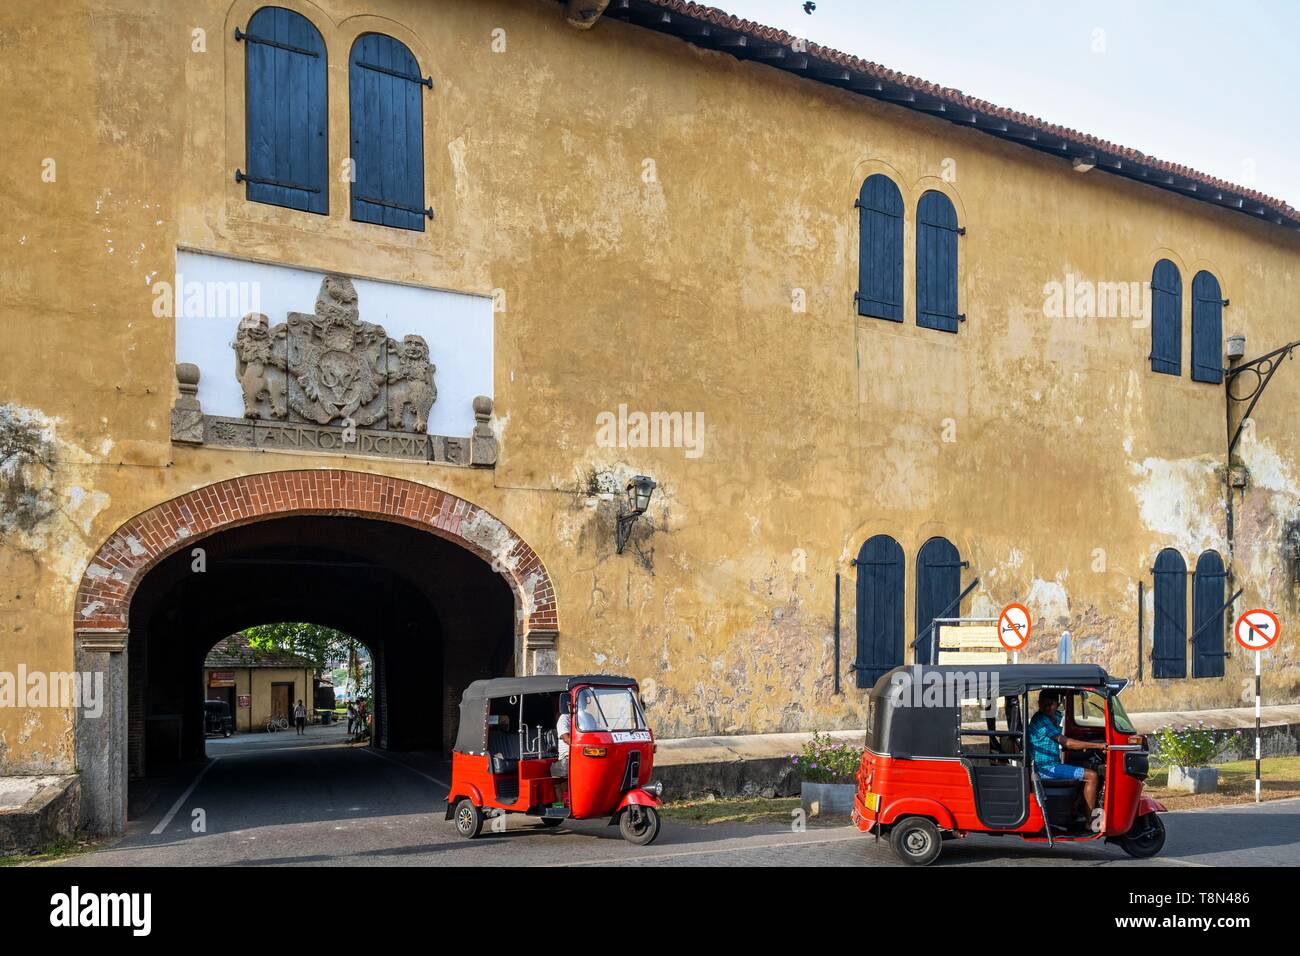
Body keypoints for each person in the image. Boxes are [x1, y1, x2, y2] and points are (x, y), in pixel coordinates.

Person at [1028, 689, 1107, 816]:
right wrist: (1097, 745)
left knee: (1086, 765)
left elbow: (1068, 727)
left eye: (1051, 704)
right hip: (1045, 769)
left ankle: (1075, 808)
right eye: (1043, 705)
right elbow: (1067, 742)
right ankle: (1090, 821)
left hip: (1053, 763)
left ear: (1057, 703)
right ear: (1039, 703)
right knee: (1091, 776)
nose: (1047, 708)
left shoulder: (1056, 716)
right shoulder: (1041, 720)